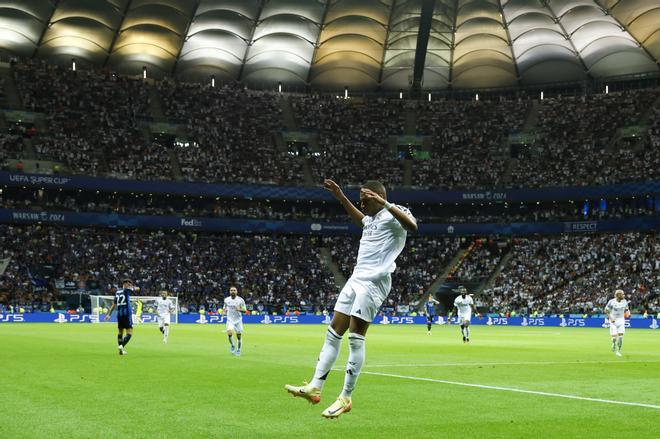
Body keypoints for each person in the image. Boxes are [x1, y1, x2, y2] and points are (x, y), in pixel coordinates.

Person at [285, 179, 417, 419]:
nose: (362, 204)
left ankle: (345, 397)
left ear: (376, 196)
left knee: (355, 338)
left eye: (365, 200)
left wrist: (384, 203)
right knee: (333, 332)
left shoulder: (393, 212)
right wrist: (341, 197)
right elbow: (362, 221)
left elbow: (413, 226)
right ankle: (315, 386)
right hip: (356, 279)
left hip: (375, 282)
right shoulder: (372, 220)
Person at [104, 279, 136, 355]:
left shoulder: (117, 292)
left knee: (120, 332)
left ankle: (121, 351)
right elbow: (137, 288)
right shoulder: (126, 290)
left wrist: (109, 314)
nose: (129, 285)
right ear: (126, 284)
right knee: (130, 332)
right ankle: (121, 346)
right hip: (127, 314)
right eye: (129, 284)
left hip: (119, 315)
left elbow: (114, 305)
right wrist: (132, 287)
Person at [605, 289, 629, 357]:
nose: (624, 295)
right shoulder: (611, 302)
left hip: (621, 320)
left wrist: (628, 313)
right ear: (618, 295)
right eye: (622, 294)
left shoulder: (625, 301)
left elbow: (627, 309)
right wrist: (611, 318)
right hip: (613, 320)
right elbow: (606, 310)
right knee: (614, 337)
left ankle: (618, 350)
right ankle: (613, 343)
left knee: (620, 336)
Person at [223, 286, 246, 356]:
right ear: (229, 292)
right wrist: (224, 312)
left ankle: (238, 350)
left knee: (238, 336)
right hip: (230, 320)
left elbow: (245, 310)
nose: (232, 291)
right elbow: (224, 308)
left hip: (238, 321)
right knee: (229, 333)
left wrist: (239, 309)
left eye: (234, 290)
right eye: (231, 290)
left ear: (237, 291)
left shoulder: (241, 300)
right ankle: (233, 345)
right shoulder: (226, 300)